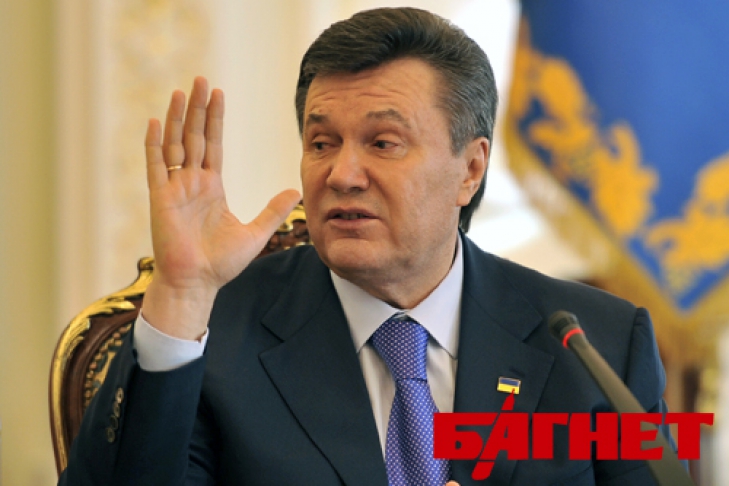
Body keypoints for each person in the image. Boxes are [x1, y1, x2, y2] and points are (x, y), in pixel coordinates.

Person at [60, 7, 674, 485]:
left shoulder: (596, 345)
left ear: (470, 169)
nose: (342, 174)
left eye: (383, 143)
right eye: (321, 143)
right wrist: (181, 295)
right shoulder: (213, 335)